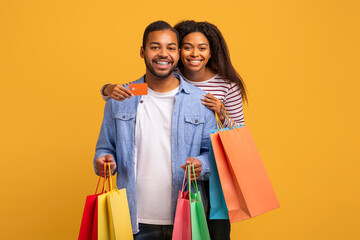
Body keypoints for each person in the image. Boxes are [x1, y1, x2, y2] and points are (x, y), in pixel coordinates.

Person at [101, 20, 247, 240]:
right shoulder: (154, 80)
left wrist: (222, 114)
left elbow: (234, 140)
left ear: (211, 53)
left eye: (202, 48)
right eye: (187, 47)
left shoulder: (219, 90)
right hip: (139, 214)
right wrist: (107, 89)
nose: (194, 53)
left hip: (205, 189)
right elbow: (137, 91)